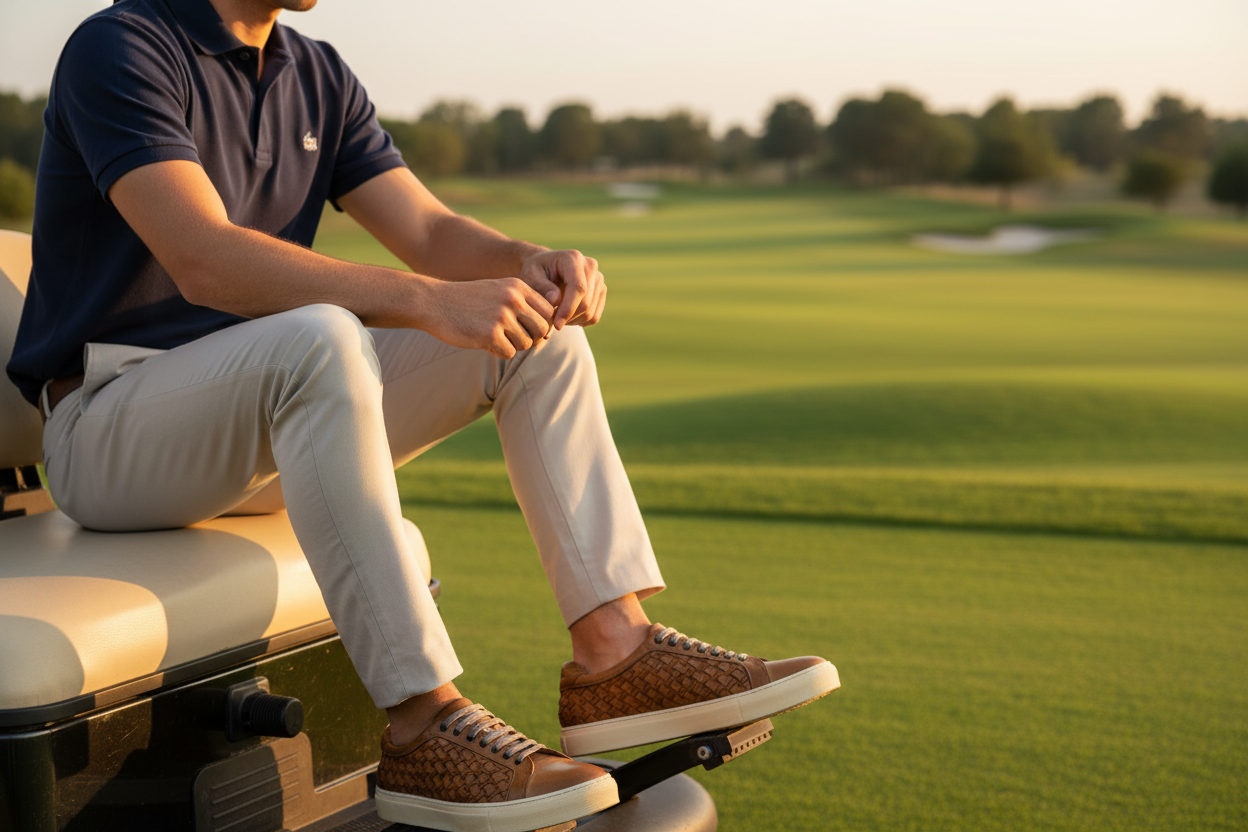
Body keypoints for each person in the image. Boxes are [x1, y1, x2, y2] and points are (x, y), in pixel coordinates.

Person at [6, 0, 840, 829]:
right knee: (322, 337)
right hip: (109, 431)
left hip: (259, 426)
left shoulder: (316, 72)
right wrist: (425, 303)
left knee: (527, 332)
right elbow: (203, 259)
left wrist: (525, 263)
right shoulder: (122, 47)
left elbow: (432, 229)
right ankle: (421, 724)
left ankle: (614, 649)